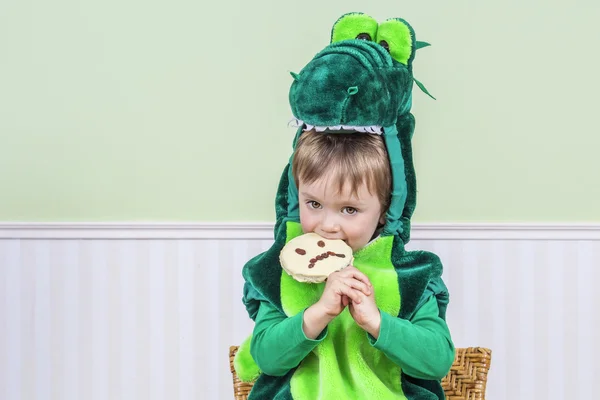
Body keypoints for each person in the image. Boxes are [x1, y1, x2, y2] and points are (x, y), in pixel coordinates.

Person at [235, 12, 454, 400]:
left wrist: (375, 321)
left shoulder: (411, 276)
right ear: (295, 195)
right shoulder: (278, 272)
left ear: (386, 211)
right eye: (314, 203)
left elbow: (436, 362)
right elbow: (266, 358)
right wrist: (318, 313)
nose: (327, 226)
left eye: (349, 210)